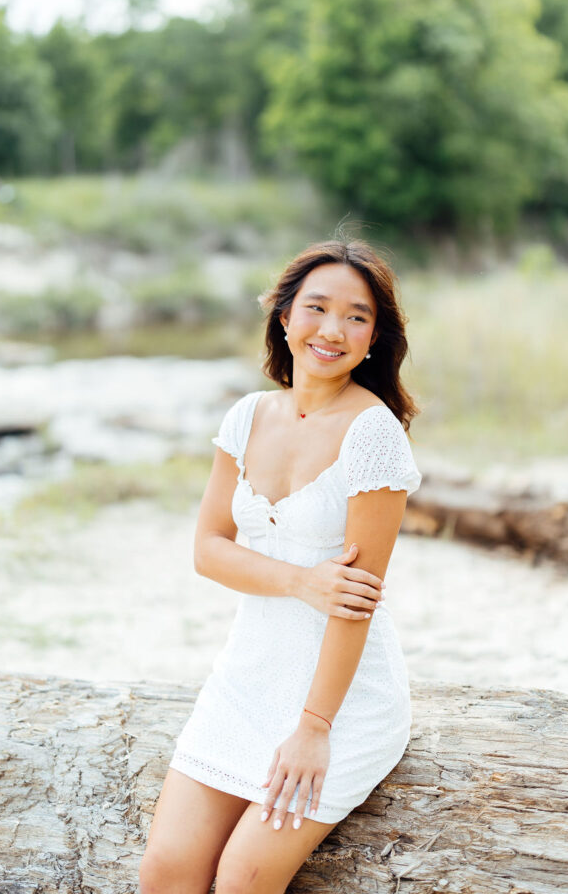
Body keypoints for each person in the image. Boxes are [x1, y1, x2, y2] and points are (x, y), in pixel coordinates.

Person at [139, 238, 422, 894]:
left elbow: (354, 600)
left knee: (242, 880)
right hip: (246, 679)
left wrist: (313, 729)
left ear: (375, 337)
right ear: (283, 317)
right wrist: (299, 580)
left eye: (356, 316)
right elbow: (208, 550)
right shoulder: (246, 416)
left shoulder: (373, 434)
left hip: (341, 702)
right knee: (166, 871)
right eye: (316, 308)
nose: (333, 329)